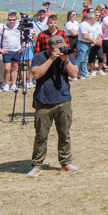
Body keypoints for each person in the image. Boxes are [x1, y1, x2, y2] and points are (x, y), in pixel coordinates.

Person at [26, 35, 79, 177]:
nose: (61, 50)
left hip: (63, 100)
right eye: (57, 49)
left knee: (64, 133)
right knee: (41, 135)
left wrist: (65, 60)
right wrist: (51, 59)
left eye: (62, 47)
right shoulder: (39, 57)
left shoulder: (67, 56)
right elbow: (36, 74)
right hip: (43, 102)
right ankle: (37, 165)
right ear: (50, 48)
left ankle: (66, 161)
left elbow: (74, 74)